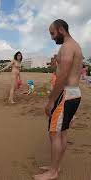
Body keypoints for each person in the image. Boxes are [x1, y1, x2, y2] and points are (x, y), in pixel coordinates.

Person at [34, 19, 83, 180]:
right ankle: (56, 166)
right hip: (73, 93)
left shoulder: (68, 46)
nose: (51, 37)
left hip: (66, 95)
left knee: (54, 133)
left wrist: (51, 100)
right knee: (62, 133)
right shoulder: (74, 45)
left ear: (61, 29)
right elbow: (64, 70)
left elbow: (62, 76)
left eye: (52, 33)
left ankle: (53, 172)